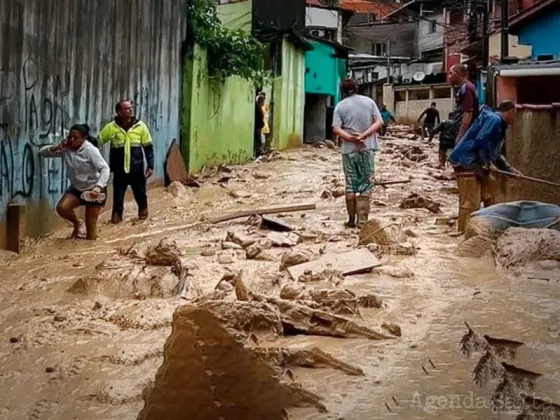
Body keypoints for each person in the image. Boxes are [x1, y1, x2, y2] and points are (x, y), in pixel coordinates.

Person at [448, 100, 522, 232]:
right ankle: (463, 233)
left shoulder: (498, 123)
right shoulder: (494, 120)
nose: (515, 118)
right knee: (470, 202)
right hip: (466, 161)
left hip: (476, 162)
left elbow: (496, 153)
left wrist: (510, 170)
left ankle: (489, 228)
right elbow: (481, 140)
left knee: (491, 192)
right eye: (515, 114)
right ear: (511, 112)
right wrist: (485, 163)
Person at [40, 124, 110, 240]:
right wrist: (57, 147)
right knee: (62, 208)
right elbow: (43, 153)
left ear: (83, 139)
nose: (72, 140)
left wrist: (98, 187)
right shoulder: (65, 148)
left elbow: (105, 169)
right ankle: (77, 223)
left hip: (94, 189)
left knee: (91, 230)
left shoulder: (90, 150)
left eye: (76, 138)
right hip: (76, 188)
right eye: (70, 136)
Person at [333, 78, 383, 228]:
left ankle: (350, 220)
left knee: (350, 184)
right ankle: (362, 222)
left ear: (342, 90)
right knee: (366, 184)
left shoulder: (340, 106)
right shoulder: (369, 102)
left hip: (348, 151)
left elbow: (336, 128)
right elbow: (379, 122)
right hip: (367, 149)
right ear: (357, 88)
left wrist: (351, 138)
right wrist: (363, 136)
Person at [99, 100, 154, 224]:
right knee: (118, 196)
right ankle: (116, 217)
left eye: (131, 108)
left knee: (140, 193)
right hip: (119, 170)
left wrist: (150, 165)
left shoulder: (140, 126)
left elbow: (148, 147)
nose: (130, 110)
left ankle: (143, 213)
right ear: (119, 111)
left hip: (137, 168)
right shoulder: (111, 128)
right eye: (127, 108)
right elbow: (98, 141)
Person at [448, 64, 479, 144]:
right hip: (464, 132)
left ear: (458, 73)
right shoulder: (463, 88)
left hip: (467, 134)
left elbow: (467, 115)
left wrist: (460, 137)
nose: (449, 76)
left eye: (451, 73)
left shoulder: (467, 88)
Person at [254, 93, 265, 157]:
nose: (264, 102)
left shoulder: (258, 106)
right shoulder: (258, 107)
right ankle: (258, 152)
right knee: (258, 139)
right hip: (258, 126)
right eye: (263, 101)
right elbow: (260, 117)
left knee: (259, 138)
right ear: (261, 101)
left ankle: (259, 151)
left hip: (258, 126)